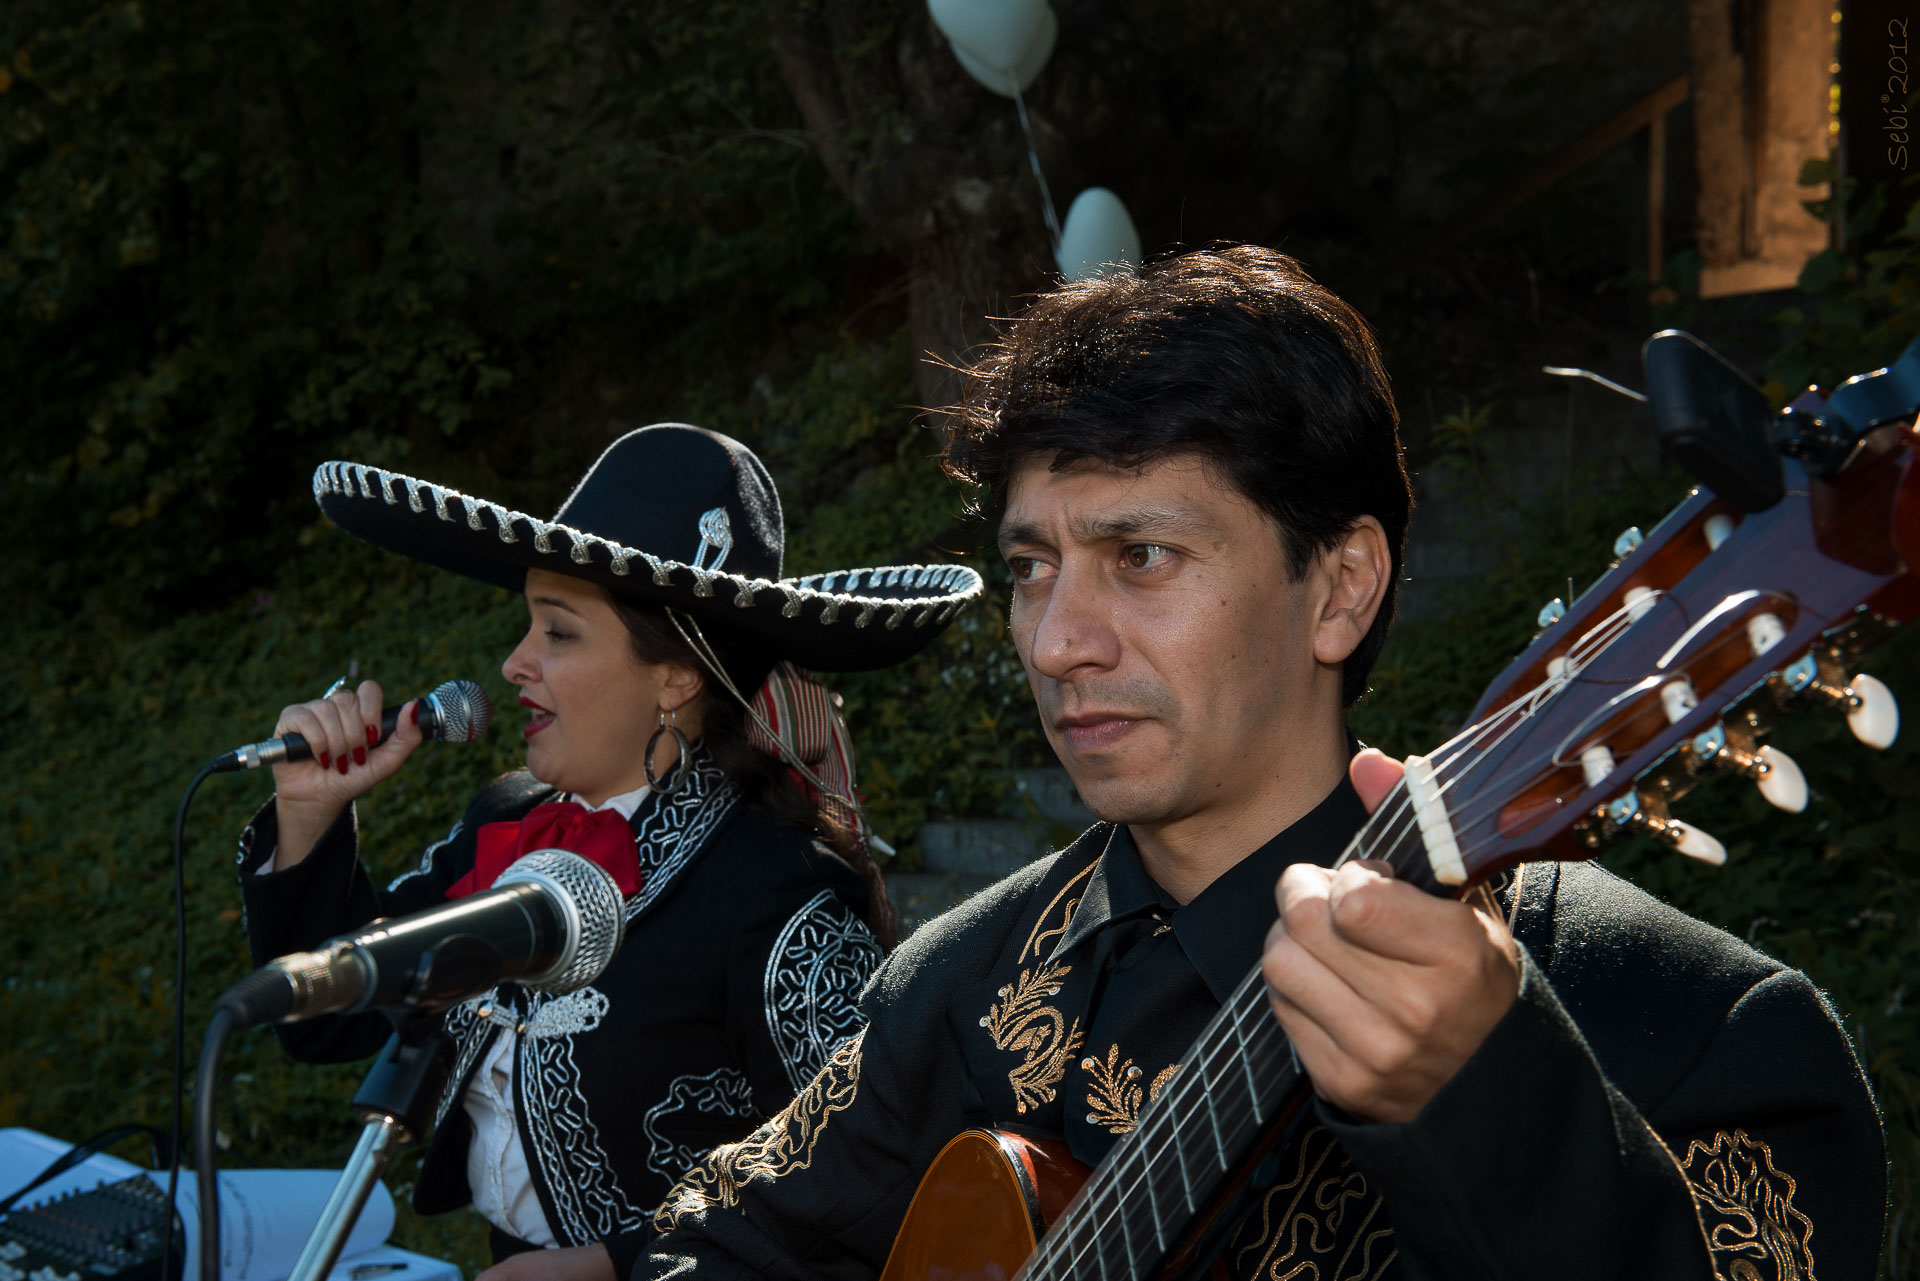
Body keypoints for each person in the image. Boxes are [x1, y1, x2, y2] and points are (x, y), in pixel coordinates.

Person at [639, 248, 1886, 1280]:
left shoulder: (1696, 1026)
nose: (1058, 642)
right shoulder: (964, 985)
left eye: (1140, 555)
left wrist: (1493, 1103)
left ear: (1339, 588)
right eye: (1031, 569)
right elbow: (719, 1245)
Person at [233, 424, 983, 1281]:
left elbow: (874, 1184)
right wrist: (311, 813)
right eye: (528, 627)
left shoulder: (782, 897)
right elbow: (331, 1016)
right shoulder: (506, 822)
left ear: (675, 677)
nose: (515, 664)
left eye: (558, 633)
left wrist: (616, 1266)